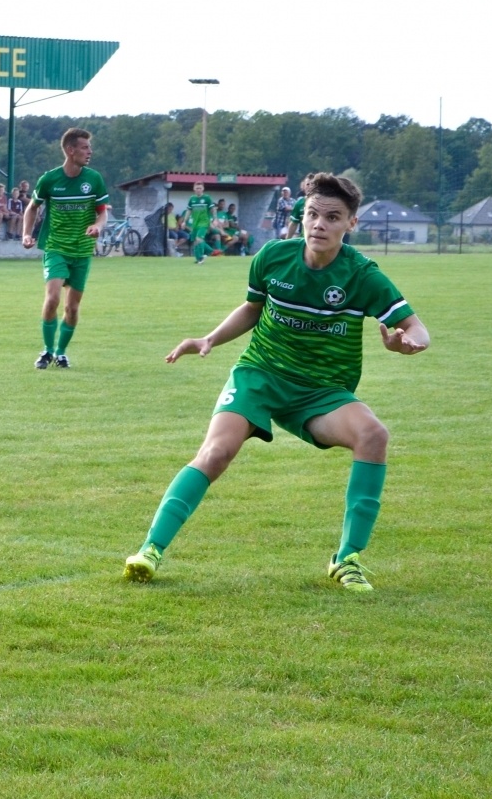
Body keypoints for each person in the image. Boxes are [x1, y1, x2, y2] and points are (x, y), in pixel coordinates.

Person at [122, 173, 429, 592]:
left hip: (320, 393)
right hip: (260, 376)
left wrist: (406, 343)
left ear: (350, 225)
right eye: (313, 214)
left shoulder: (363, 276)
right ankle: (149, 551)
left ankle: (347, 559)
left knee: (373, 435)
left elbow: (416, 327)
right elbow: (253, 308)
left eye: (332, 217)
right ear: (302, 216)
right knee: (215, 453)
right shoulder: (272, 257)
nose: (319, 224)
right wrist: (209, 338)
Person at [20, 128, 110, 368]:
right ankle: (47, 351)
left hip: (82, 250)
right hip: (56, 247)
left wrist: (97, 226)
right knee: (52, 299)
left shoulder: (94, 179)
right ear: (71, 151)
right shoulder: (49, 179)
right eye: (84, 147)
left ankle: (61, 352)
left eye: (89, 148)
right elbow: (32, 207)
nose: (89, 152)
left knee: (72, 307)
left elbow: (102, 214)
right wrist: (26, 234)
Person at [184, 182, 215, 264]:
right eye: (197, 188)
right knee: (195, 241)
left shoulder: (207, 198)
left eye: (200, 188)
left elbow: (212, 209)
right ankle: (203, 255)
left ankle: (201, 258)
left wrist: (215, 219)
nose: (198, 190)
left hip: (204, 222)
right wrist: (184, 221)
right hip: (195, 223)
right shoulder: (192, 199)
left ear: (203, 189)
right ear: (194, 189)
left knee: (199, 239)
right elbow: (189, 210)